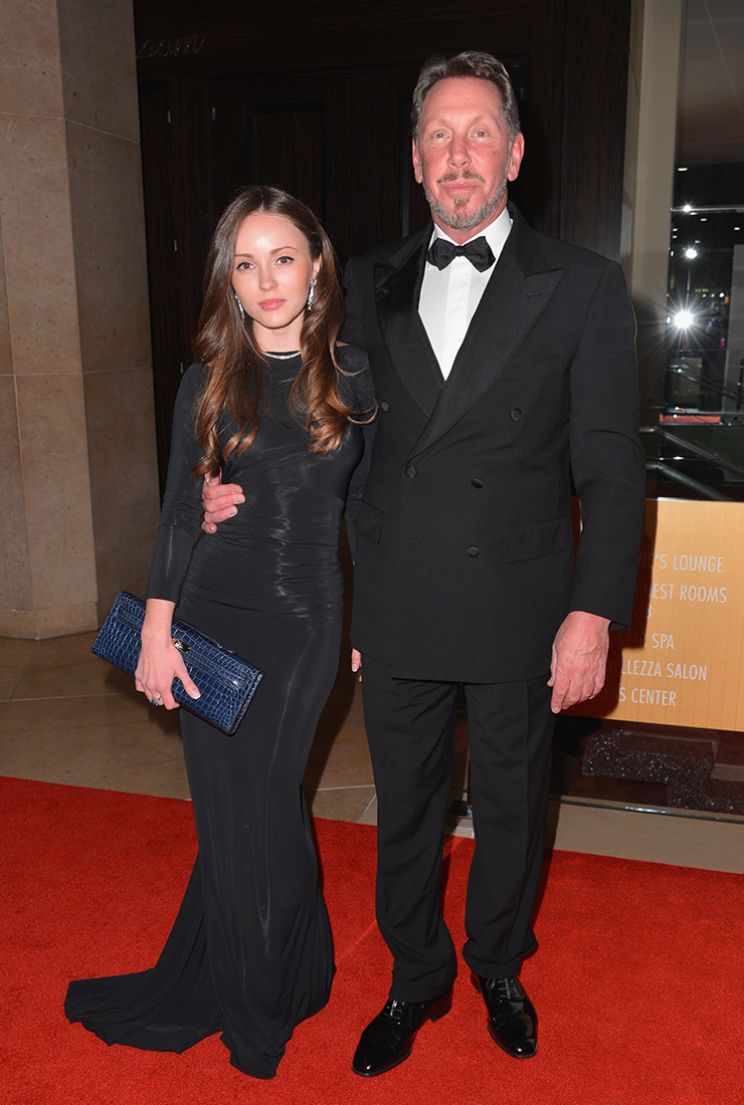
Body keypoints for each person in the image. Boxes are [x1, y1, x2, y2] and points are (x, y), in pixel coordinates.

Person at [203, 51, 645, 1076]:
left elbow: (612, 472)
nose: (459, 154)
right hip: (399, 596)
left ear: (515, 152)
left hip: (522, 601)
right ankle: (414, 975)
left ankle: (496, 964)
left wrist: (592, 615)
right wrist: (221, 480)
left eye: (479, 131)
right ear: (415, 158)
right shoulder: (361, 280)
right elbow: (304, 411)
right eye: (439, 135)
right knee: (403, 807)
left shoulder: (581, 285)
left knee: (512, 805)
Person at [64, 186, 375, 1079]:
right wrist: (156, 633)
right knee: (229, 816)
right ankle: (268, 980)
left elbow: (372, 510)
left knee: (267, 807)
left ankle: (266, 994)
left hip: (305, 621)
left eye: (283, 258)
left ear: (315, 267)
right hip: (208, 613)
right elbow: (177, 510)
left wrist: (373, 620)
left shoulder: (355, 376)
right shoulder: (206, 381)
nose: (266, 280)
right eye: (246, 263)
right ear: (228, 280)